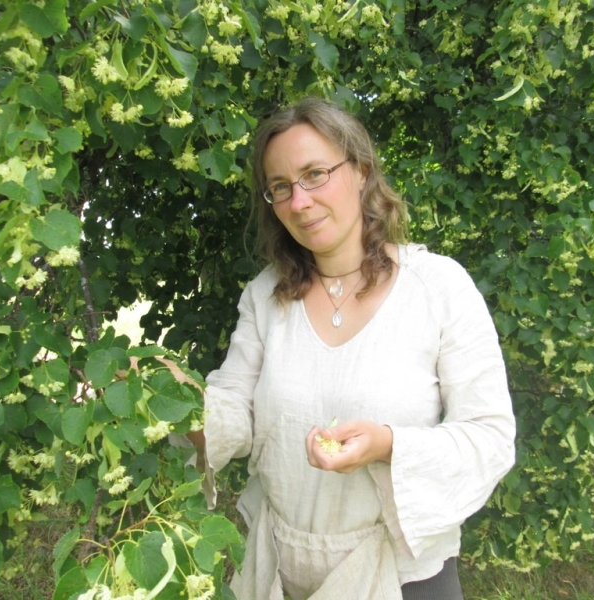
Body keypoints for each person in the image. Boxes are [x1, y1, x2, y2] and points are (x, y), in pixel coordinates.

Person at [194, 97, 516, 600]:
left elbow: (490, 437)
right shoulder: (265, 295)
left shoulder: (438, 287)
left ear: (361, 171)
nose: (299, 202)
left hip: (405, 579)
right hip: (280, 573)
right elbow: (234, 412)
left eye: (315, 174)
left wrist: (388, 445)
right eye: (281, 187)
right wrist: (171, 402)